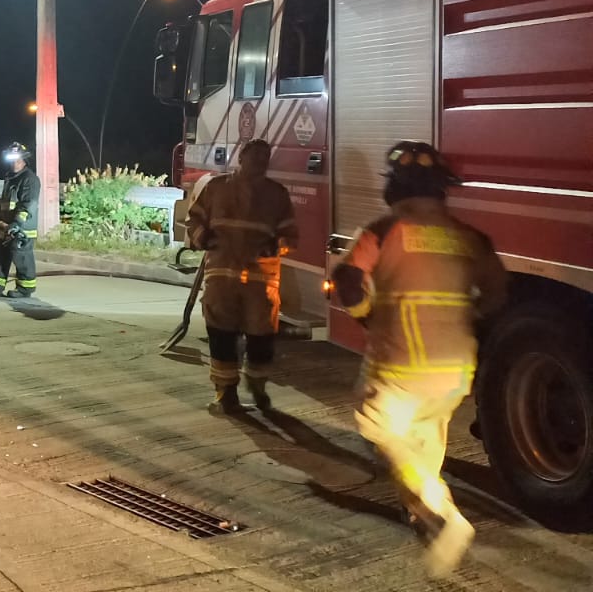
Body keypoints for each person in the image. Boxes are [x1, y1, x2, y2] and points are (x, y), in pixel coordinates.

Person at [330, 141, 507, 577]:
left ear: (395, 187)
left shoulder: (385, 230)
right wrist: (465, 318)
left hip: (401, 362)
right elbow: (497, 294)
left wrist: (366, 316)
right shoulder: (470, 237)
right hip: (456, 368)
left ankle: (438, 509)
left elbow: (347, 279)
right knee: (426, 436)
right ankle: (419, 512)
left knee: (378, 425)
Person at [185, 139, 297, 413]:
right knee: (221, 336)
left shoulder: (277, 194)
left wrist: (277, 245)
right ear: (241, 158)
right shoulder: (216, 187)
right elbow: (194, 219)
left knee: (261, 339)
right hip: (222, 279)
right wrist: (203, 238)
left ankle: (257, 387)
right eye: (254, 155)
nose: (259, 161)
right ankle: (226, 394)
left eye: (264, 157)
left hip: (260, 283)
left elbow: (290, 235)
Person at [0, 142, 40, 298]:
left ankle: (25, 289)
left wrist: (17, 224)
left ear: (24, 161)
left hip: (21, 228)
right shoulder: (10, 178)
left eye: (18, 160)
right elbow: (4, 202)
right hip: (5, 226)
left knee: (21, 257)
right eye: (12, 160)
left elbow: (28, 204)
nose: (14, 163)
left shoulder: (30, 179)